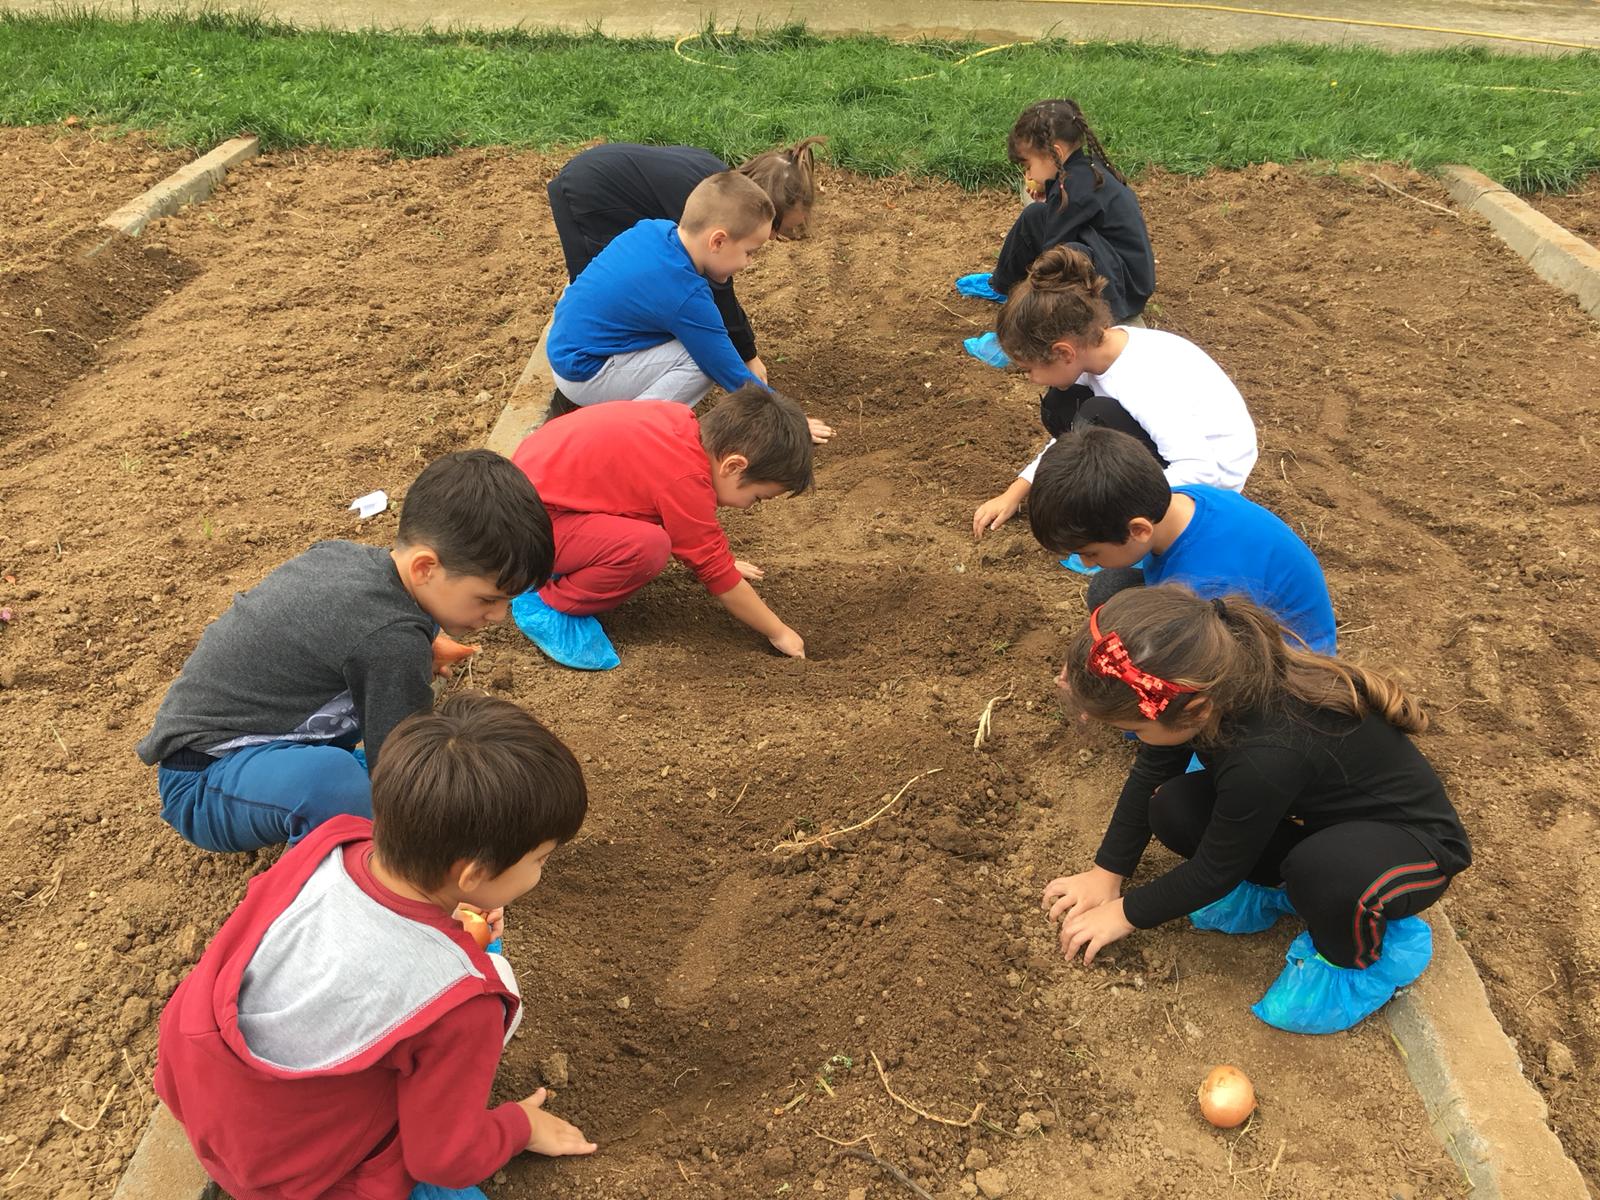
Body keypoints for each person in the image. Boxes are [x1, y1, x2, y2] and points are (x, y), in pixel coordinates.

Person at [154, 693, 596, 1200]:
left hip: (210, 1103)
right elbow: (443, 1157)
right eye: (540, 859)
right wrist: (519, 1125)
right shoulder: (463, 1003)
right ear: (473, 875)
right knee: (496, 990)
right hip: (300, 1178)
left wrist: (451, 911)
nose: (541, 870)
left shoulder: (334, 841)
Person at [1040, 585, 1471, 1034]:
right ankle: (1293, 890)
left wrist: (1124, 913)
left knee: (1323, 872)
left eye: (1134, 729)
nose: (1134, 738)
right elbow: (1151, 774)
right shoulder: (1206, 688)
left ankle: (1357, 956)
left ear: (1194, 710)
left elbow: (1215, 872)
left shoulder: (1267, 753)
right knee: (1174, 806)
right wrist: (1107, 874)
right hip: (1320, 822)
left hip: (1413, 847)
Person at [136, 450, 553, 852]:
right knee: (348, 791)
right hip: (203, 781)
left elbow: (346, 635)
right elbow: (401, 776)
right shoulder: (389, 641)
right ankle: (338, 888)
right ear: (426, 568)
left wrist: (421, 645)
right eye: (487, 599)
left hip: (246, 757)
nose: (499, 615)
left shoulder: (358, 565)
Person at [509, 385, 813, 670]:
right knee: (647, 548)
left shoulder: (679, 422)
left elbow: (689, 529)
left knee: (650, 526)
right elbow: (713, 569)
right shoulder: (684, 479)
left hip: (523, 495)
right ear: (733, 466)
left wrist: (725, 562)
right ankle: (548, 600)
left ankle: (564, 563)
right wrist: (779, 631)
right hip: (527, 531)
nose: (750, 505)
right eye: (757, 497)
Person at [972, 247, 1256, 545]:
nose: (1030, 379)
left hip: (1214, 482)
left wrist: (1106, 502)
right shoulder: (1096, 352)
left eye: (1029, 369)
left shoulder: (1141, 380)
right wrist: (1014, 492)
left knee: (1090, 416)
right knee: (1064, 407)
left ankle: (1126, 529)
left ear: (1063, 352)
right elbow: (1073, 436)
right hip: (1177, 455)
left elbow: (1202, 472)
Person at [544, 170, 831, 442]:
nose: (748, 263)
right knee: (700, 362)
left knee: (692, 343)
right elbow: (730, 371)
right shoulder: (685, 295)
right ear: (718, 241)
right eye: (748, 252)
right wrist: (789, 420)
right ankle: (626, 432)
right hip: (584, 373)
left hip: (565, 345)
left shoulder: (655, 229)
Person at [1025, 427, 1335, 653]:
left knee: (1160, 710)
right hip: (1234, 615)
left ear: (1138, 530)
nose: (1085, 562)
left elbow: (1209, 668)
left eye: (1090, 552)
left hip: (1287, 661)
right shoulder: (1177, 502)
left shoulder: (1207, 581)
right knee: (1110, 591)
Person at [545, 137, 826, 386]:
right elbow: (719, 292)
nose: (775, 238)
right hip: (589, 192)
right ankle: (615, 398)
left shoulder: (715, 188)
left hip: (598, 173)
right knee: (599, 287)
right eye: (779, 228)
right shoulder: (706, 206)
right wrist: (747, 355)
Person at [957, 98, 1155, 327]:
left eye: (1028, 165)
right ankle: (1002, 284)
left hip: (1121, 290)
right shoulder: (1083, 171)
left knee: (1066, 257)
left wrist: (1022, 317)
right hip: (1116, 263)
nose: (1028, 176)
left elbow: (1052, 259)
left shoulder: (1073, 191)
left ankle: (1041, 329)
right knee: (1035, 215)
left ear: (1056, 154)